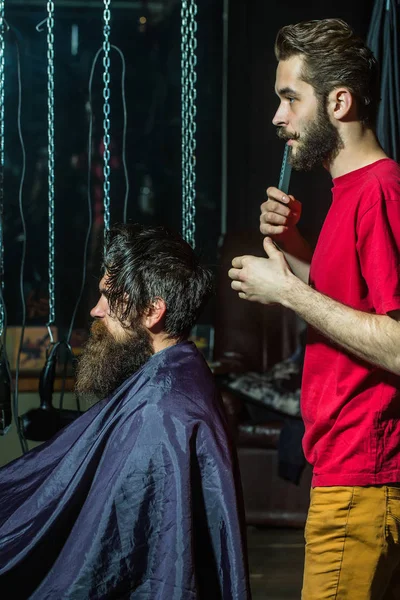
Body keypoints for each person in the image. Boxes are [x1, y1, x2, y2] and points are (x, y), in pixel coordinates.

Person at [228, 18, 400, 600]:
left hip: (363, 478)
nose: (278, 117)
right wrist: (298, 252)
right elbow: (352, 303)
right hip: (343, 474)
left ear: (340, 101)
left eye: (290, 99)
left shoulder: (380, 192)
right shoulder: (346, 192)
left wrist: (287, 292)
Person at [0, 223, 251, 600]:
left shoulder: (164, 414)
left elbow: (118, 564)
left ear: (152, 311)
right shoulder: (172, 380)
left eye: (108, 297)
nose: (95, 310)